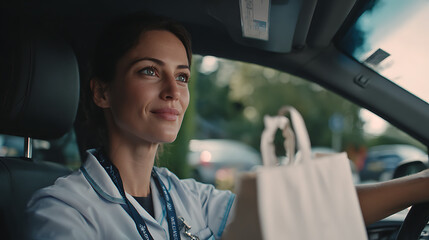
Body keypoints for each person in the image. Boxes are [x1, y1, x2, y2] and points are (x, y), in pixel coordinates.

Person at [26, 14, 429, 239]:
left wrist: (421, 184)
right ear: (102, 92)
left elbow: (305, 212)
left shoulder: (187, 197)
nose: (173, 92)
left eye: (182, 77)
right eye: (149, 71)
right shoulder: (63, 211)